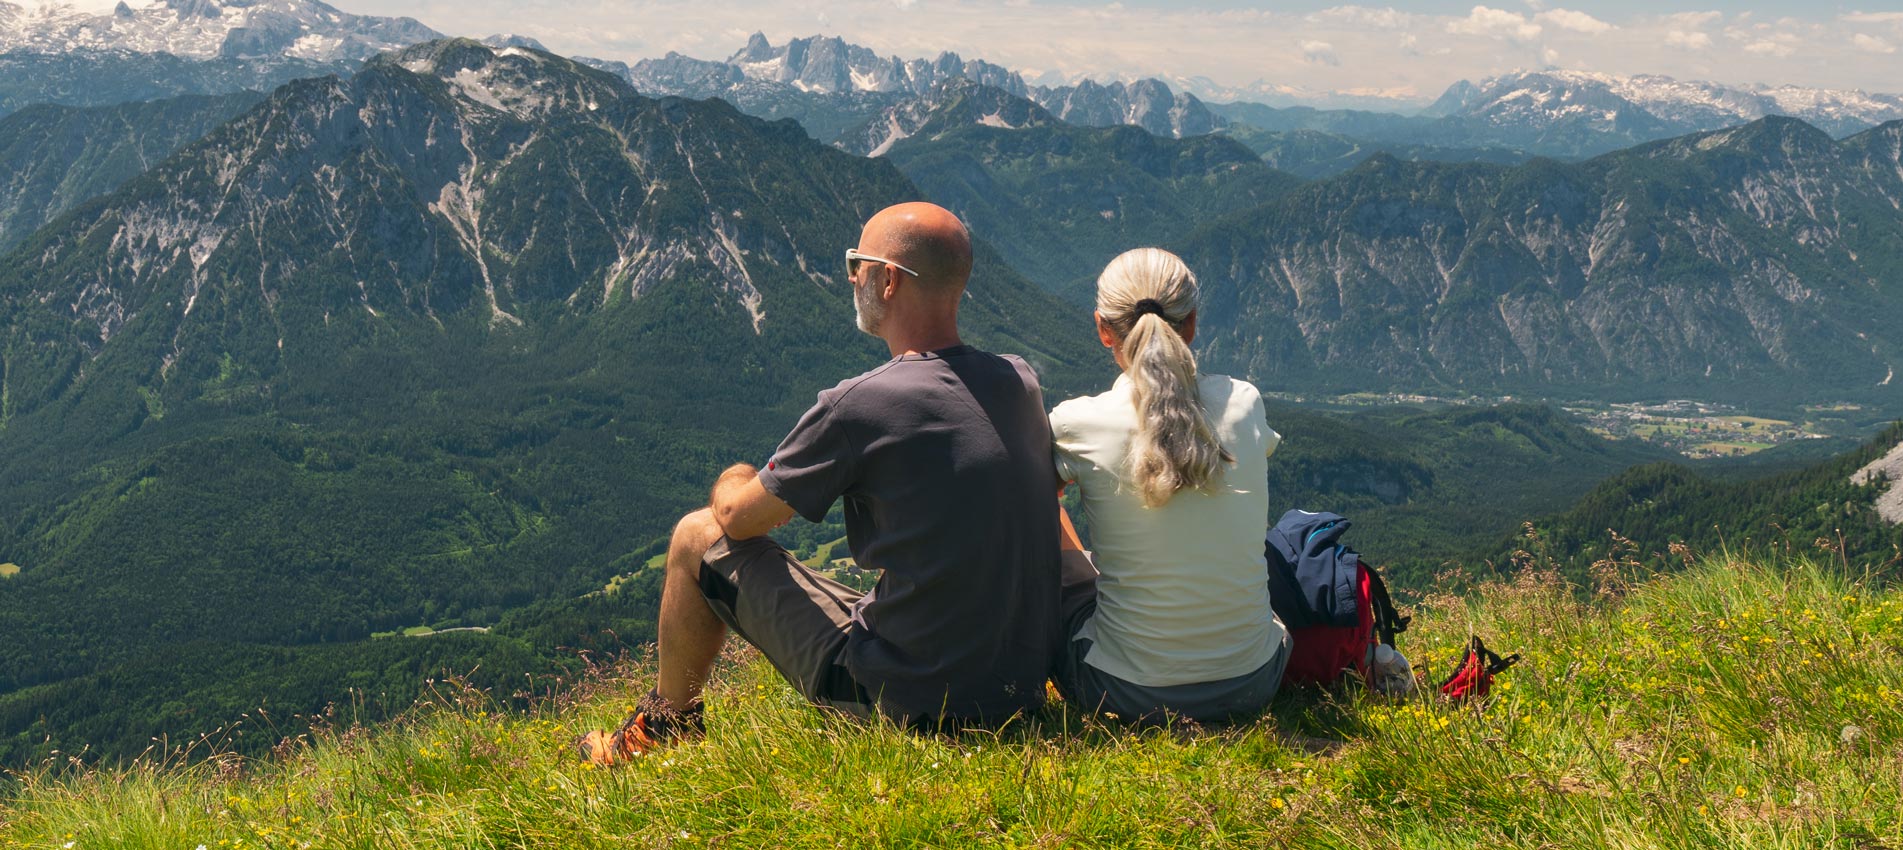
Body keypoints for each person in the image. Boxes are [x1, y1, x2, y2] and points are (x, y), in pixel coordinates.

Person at [578, 202, 1061, 763]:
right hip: (1018, 692)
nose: (850, 274)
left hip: (911, 705)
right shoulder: (1018, 379)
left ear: (887, 281)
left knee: (695, 536)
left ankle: (659, 732)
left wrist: (733, 479)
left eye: (856, 262)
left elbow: (738, 518)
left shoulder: (860, 404)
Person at [1048, 247, 1290, 725]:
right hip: (1256, 679)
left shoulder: (1079, 422)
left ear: (1102, 328)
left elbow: (1030, 503)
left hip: (1122, 690)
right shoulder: (1243, 401)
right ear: (1192, 323)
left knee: (1038, 511)